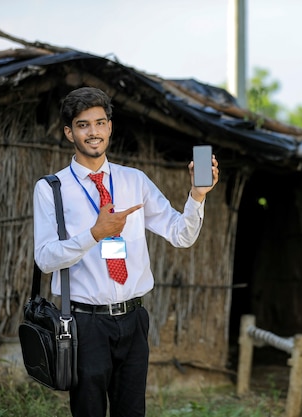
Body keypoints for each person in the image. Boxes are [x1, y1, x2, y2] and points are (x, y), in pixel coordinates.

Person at [33, 86, 219, 417]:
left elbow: (181, 235)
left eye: (100, 122)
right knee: (89, 410)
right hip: (84, 321)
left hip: (134, 319)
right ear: (68, 132)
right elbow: (45, 259)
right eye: (83, 124)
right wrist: (95, 234)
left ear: (109, 126)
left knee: (132, 411)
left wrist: (197, 195)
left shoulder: (134, 180)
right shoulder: (52, 188)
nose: (94, 132)